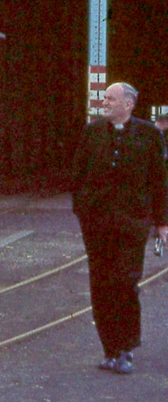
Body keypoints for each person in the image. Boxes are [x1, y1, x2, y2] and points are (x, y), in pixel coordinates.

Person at [70, 82, 168, 375]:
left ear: (129, 104)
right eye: (104, 99)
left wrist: (162, 222)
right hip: (97, 224)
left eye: (111, 99)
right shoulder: (92, 133)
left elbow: (159, 181)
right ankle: (109, 349)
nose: (105, 103)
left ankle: (126, 349)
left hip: (132, 224)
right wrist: (82, 210)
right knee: (100, 285)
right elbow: (78, 174)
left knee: (125, 283)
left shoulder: (150, 135)